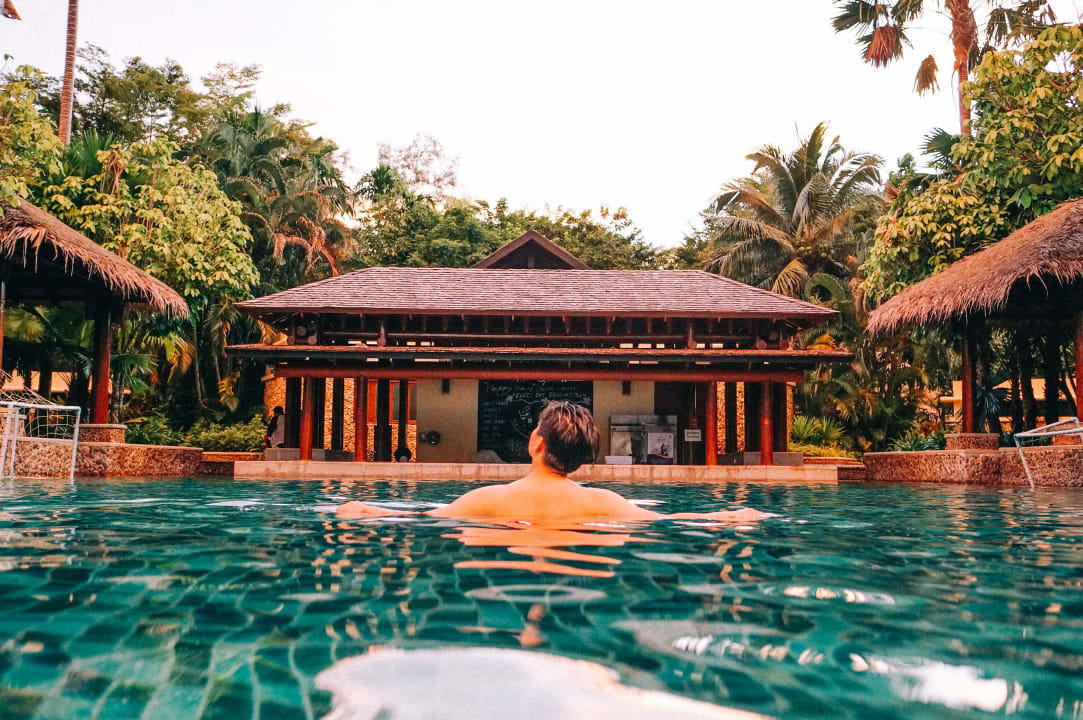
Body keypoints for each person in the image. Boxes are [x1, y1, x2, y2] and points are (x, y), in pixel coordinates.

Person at [337, 401, 767, 523]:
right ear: (582, 458)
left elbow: (419, 517)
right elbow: (682, 521)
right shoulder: (609, 506)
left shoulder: (483, 501)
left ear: (534, 443)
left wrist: (364, 508)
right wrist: (732, 514)